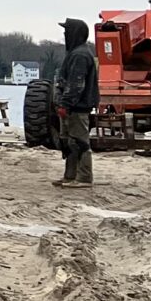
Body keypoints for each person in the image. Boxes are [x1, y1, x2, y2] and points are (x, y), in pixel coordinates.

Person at [52, 16, 99, 189]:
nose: (65, 34)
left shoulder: (80, 55)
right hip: (72, 106)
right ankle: (70, 175)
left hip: (77, 107)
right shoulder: (76, 53)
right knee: (69, 142)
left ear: (75, 33)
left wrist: (65, 104)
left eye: (67, 31)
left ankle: (84, 177)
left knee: (80, 141)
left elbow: (76, 84)